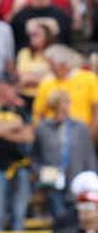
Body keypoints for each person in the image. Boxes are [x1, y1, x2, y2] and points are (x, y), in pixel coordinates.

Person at [0, 77, 35, 230]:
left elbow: (29, 136)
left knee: (20, 212)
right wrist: (15, 126)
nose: (15, 91)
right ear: (0, 88)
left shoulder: (19, 109)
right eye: (11, 87)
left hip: (20, 166)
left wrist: (1, 131)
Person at [33, 90, 98, 222]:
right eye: (63, 103)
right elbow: (36, 155)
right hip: (53, 180)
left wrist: (92, 179)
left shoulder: (80, 128)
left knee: (77, 217)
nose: (66, 107)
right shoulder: (43, 128)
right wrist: (40, 172)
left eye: (68, 103)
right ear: (54, 106)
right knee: (59, 218)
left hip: (77, 179)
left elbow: (89, 155)